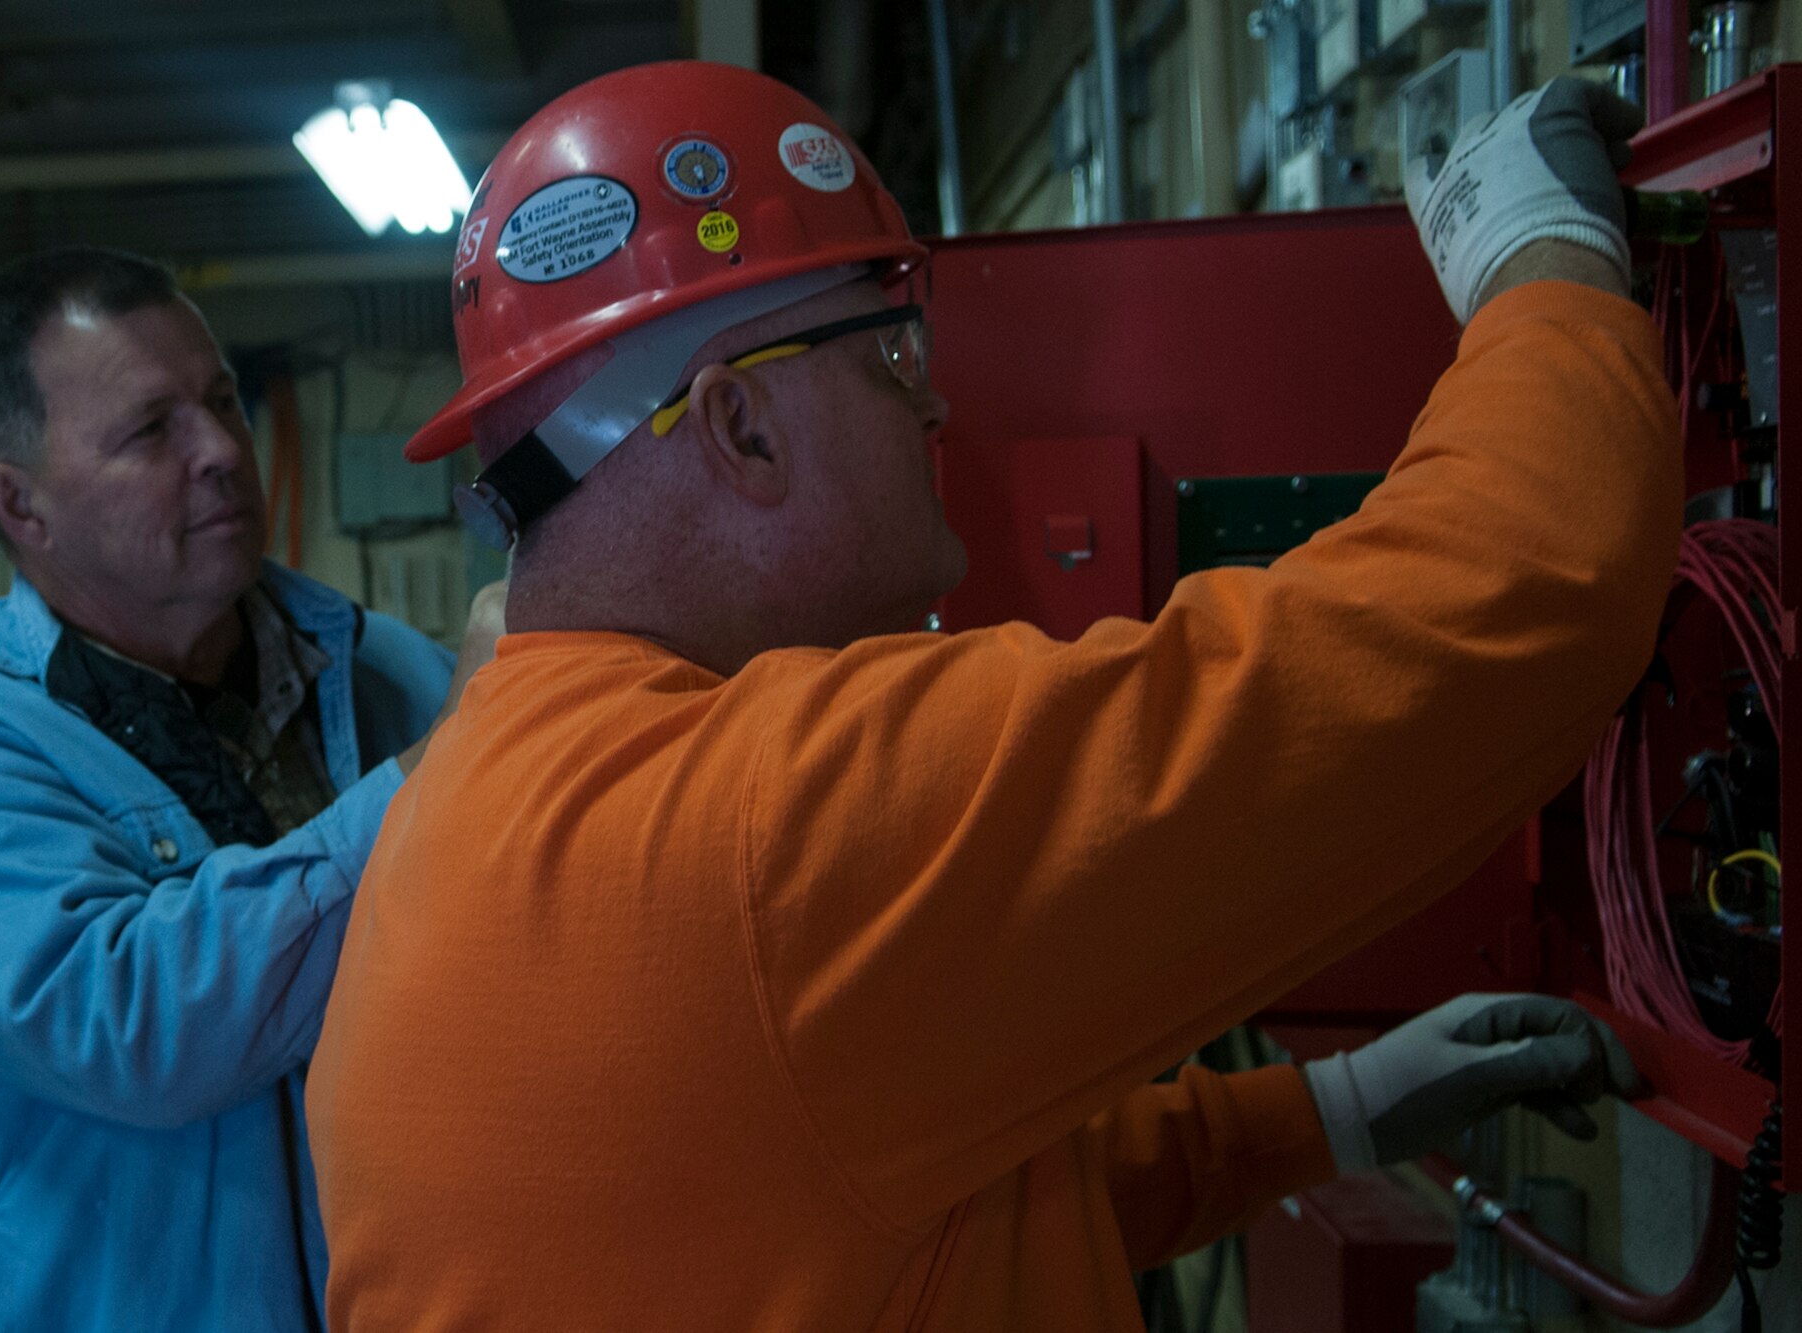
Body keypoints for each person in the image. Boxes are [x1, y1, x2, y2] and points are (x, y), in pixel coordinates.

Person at [308, 64, 1679, 1330]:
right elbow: (1518, 594)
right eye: (893, 352)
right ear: (741, 424)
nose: (938, 407)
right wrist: (1536, 260)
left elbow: (898, 1173)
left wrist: (1336, 1110)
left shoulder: (471, 812)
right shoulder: (761, 829)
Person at [0, 245, 495, 1332]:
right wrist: (444, 772)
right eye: (151, 429)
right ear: (23, 506)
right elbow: (134, 1023)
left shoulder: (390, 672)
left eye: (220, 400)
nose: (221, 451)